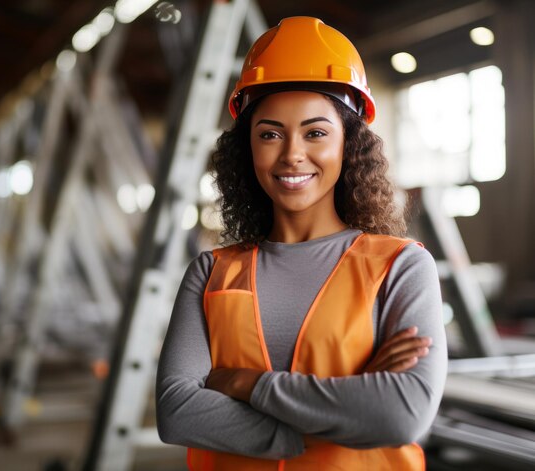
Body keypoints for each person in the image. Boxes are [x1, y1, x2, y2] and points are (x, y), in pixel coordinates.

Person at [156, 16, 447, 471]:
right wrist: (343, 412)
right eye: (270, 133)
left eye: (315, 133)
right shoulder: (210, 272)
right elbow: (176, 412)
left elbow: (401, 414)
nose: (292, 153)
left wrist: (247, 384)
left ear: (348, 145)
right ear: (247, 149)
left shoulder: (400, 267)